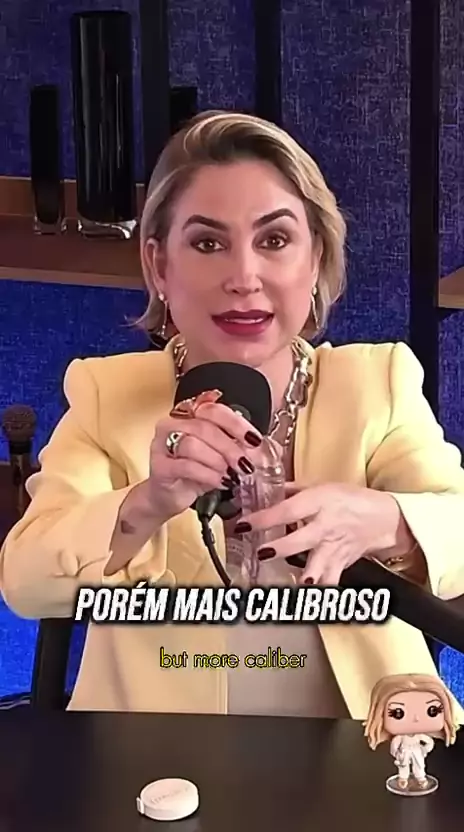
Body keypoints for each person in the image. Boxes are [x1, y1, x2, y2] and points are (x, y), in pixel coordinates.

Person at [2, 110, 464, 719]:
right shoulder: (105, 393)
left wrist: (389, 520)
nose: (244, 278)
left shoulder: (377, 382)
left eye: (274, 241)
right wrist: (148, 502)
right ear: (159, 266)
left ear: (315, 259)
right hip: (156, 750)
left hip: (371, 740)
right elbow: (26, 582)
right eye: (207, 243)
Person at [364, 673, 460, 794]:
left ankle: (421, 778)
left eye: (433, 711)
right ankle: (403, 779)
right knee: (403, 766)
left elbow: (429, 742)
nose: (416, 718)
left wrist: (425, 750)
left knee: (419, 765)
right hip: (404, 752)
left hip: (416, 751)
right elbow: (394, 746)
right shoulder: (399, 738)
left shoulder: (420, 736)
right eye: (398, 713)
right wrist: (397, 754)